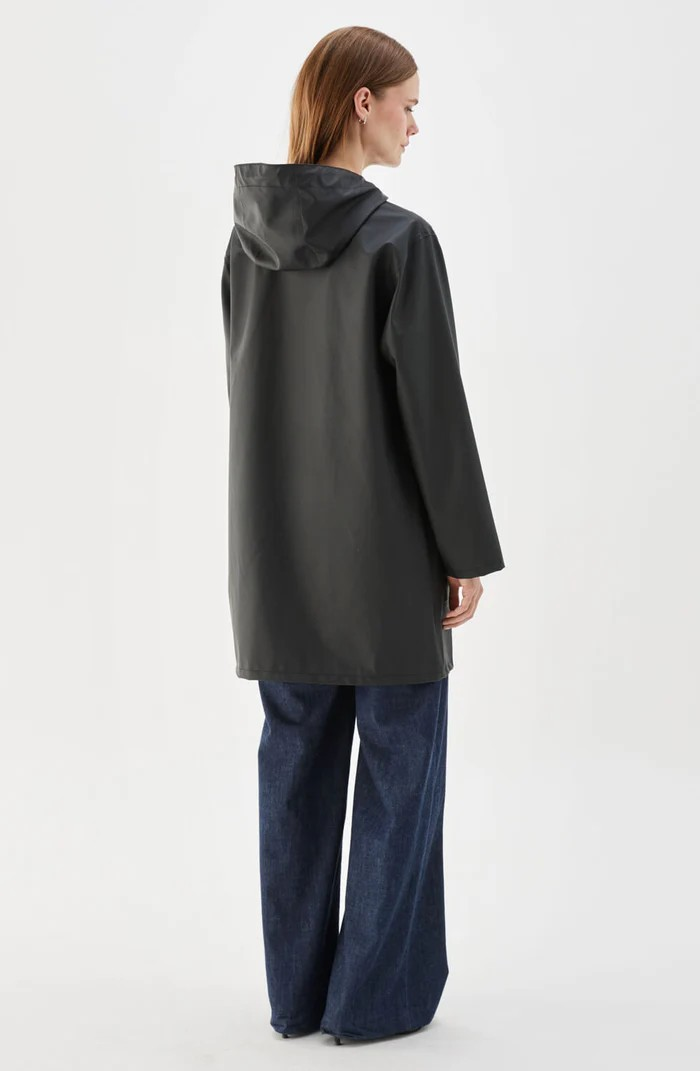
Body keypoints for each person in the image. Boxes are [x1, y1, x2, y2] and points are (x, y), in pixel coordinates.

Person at [221, 26, 505, 1044]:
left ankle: (296, 999)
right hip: (384, 567)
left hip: (278, 567)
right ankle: (372, 1003)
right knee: (397, 784)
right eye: (408, 104)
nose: (415, 124)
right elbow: (434, 413)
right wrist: (464, 550)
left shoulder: (245, 245)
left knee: (293, 780)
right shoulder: (399, 242)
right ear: (361, 104)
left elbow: (250, 401)